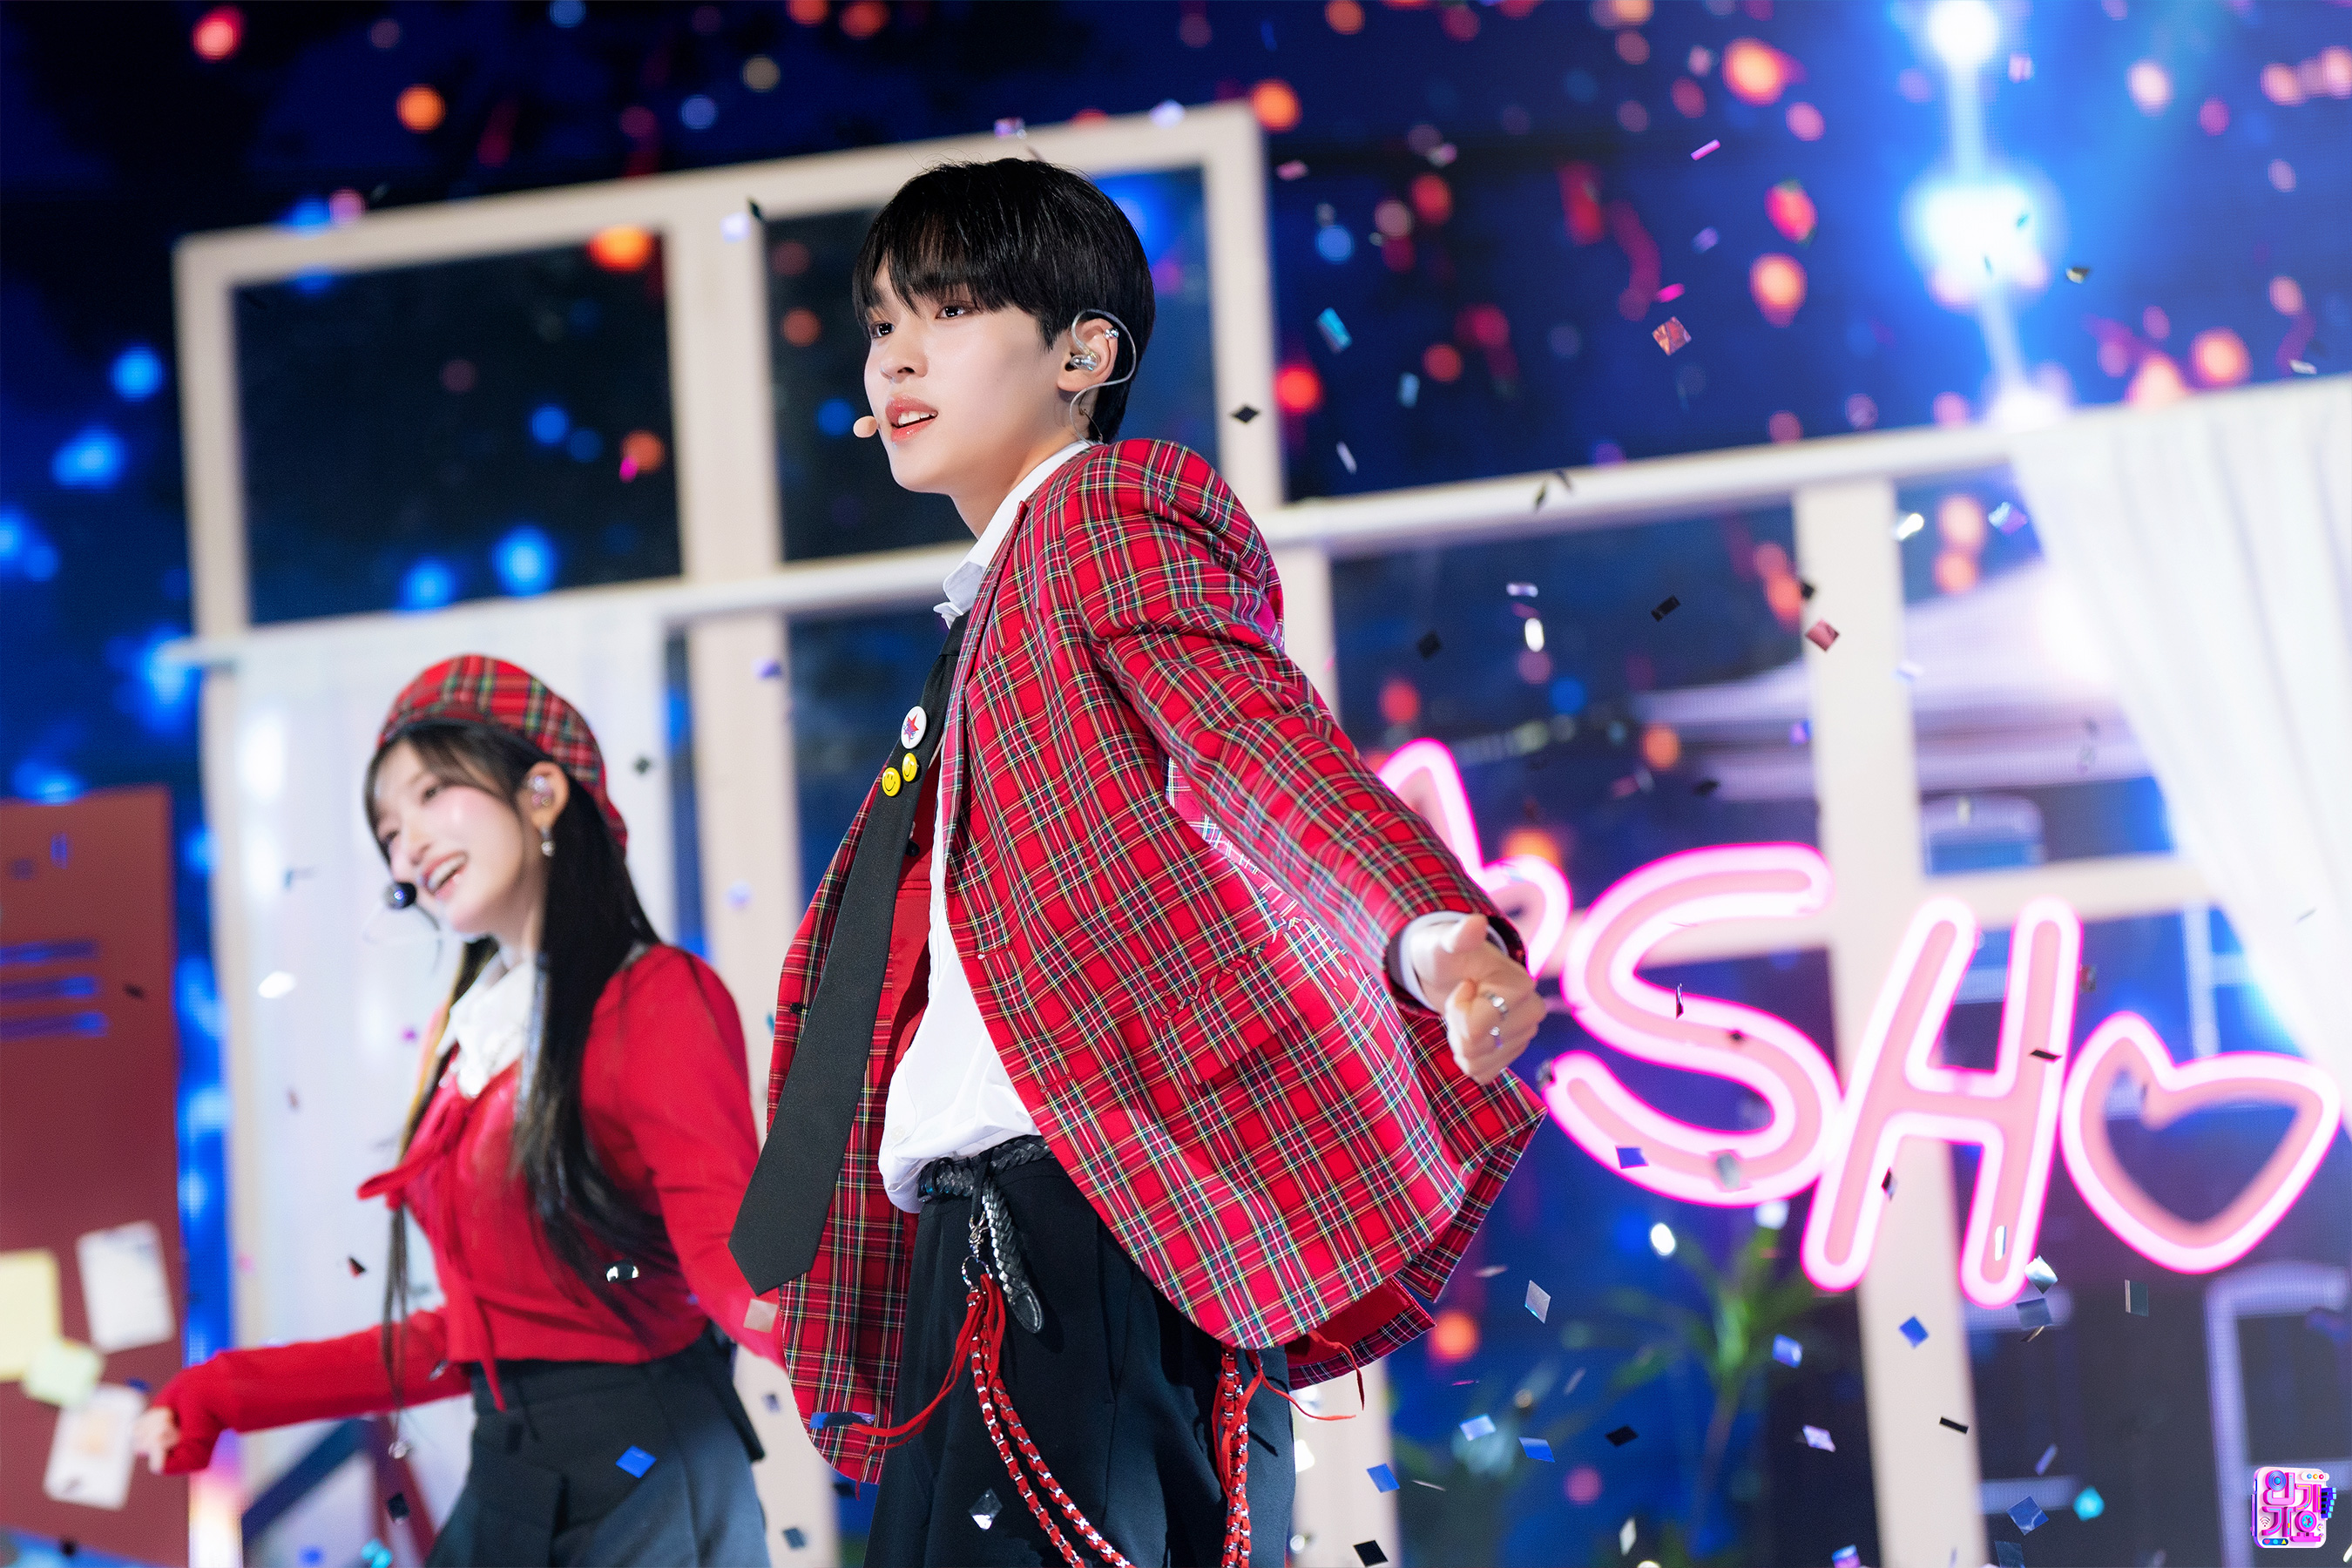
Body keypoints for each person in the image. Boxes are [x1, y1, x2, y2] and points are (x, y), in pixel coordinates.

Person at [730, 156, 1547, 1567]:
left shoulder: (1103, 512)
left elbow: (1250, 740)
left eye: (952, 309)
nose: (896, 357)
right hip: (981, 1243)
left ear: (1084, 354)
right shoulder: (978, 629)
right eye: (881, 323)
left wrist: (1432, 935)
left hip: (1087, 1212)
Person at [136, 657, 782, 1567]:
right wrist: (225, 1392)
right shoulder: (473, 1044)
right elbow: (472, 1334)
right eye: (387, 831)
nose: (405, 849)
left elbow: (731, 1257)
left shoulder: (654, 999)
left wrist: (859, 1353)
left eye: (432, 793)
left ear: (542, 791)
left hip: (646, 1469)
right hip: (514, 1467)